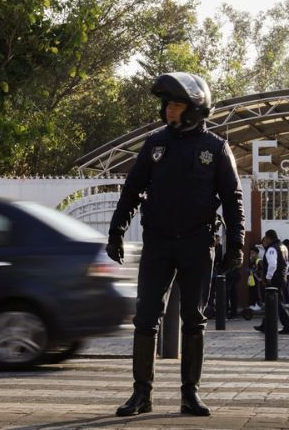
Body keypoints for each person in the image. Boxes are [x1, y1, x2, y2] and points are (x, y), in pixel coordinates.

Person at [106, 72, 245, 417]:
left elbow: (233, 197)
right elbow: (132, 190)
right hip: (158, 243)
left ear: (196, 108)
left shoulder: (215, 148)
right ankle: (141, 394)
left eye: (177, 104)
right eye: (167, 103)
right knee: (145, 318)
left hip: (198, 244)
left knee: (194, 320)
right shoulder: (154, 144)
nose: (169, 109)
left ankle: (190, 394)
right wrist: (116, 231)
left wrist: (237, 243)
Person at [253, 229, 289, 334]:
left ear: (268, 238)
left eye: (265, 238)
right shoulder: (283, 247)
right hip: (281, 278)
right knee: (270, 302)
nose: (264, 241)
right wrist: (283, 275)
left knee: (278, 304)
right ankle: (265, 325)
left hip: (274, 280)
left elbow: (272, 264)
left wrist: (268, 278)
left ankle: (288, 326)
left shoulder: (272, 249)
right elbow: (287, 264)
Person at [246, 246, 263, 312]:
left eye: (253, 253)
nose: (251, 254)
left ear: (257, 254)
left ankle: (259, 304)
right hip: (252, 279)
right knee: (252, 291)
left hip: (257, 279)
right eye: (250, 253)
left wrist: (256, 273)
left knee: (257, 291)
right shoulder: (251, 260)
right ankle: (253, 304)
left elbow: (261, 270)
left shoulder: (258, 261)